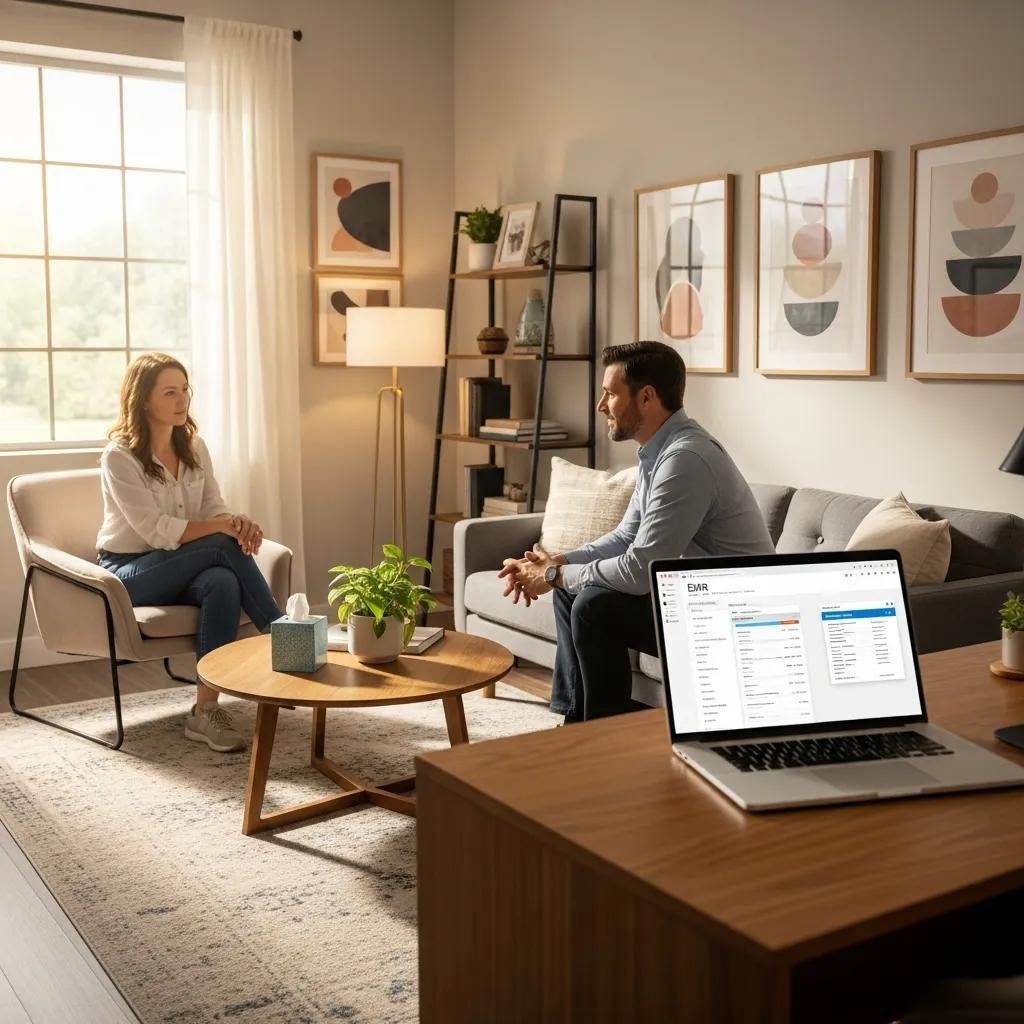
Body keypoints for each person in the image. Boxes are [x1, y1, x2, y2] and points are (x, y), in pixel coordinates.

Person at [498, 341, 774, 724]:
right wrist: (556, 563)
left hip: (732, 611)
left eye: (610, 394)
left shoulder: (685, 460)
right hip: (696, 595)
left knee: (594, 606)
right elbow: (625, 537)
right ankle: (576, 724)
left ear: (646, 398)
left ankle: (607, 735)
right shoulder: (657, 453)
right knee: (570, 590)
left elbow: (639, 570)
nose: (601, 405)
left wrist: (553, 574)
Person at [96, 353, 284, 752]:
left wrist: (236, 522)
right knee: (219, 544)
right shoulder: (119, 457)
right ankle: (282, 635)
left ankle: (205, 710)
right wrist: (222, 529)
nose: (182, 400)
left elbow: (213, 509)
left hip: (184, 565)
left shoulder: (195, 447)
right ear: (143, 400)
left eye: (185, 390)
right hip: (128, 574)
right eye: (170, 392)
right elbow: (155, 529)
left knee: (222, 580)